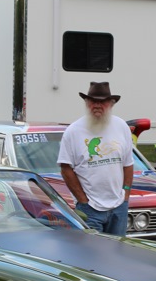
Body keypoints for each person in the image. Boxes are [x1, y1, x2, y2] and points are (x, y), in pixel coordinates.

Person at [58, 82, 135, 235]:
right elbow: (66, 168)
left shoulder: (121, 127)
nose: (97, 105)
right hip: (90, 209)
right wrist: (83, 200)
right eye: (93, 101)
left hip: (119, 207)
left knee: (119, 248)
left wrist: (126, 195)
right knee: (92, 250)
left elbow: (128, 164)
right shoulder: (73, 131)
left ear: (111, 104)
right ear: (87, 103)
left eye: (102, 101)